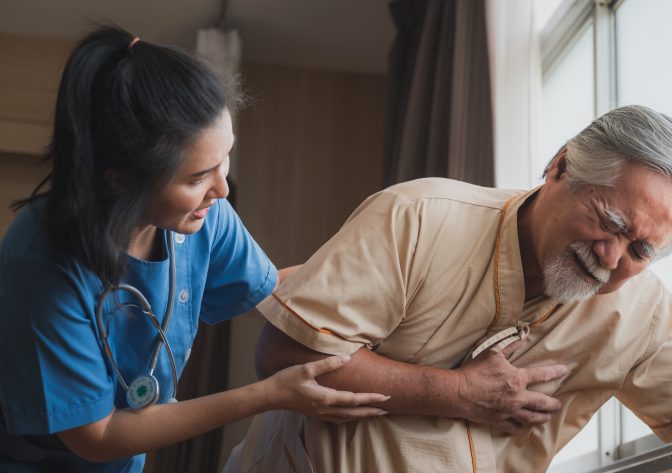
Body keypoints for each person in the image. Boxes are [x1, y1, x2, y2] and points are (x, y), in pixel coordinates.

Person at [226, 105, 672, 472]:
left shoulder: (635, 308)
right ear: (558, 167)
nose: (613, 257)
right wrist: (454, 392)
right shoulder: (419, 217)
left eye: (643, 248)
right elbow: (284, 357)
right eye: (609, 221)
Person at [0, 26, 387, 472]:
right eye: (196, 177)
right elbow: (97, 435)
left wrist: (384, 287)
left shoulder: (204, 219)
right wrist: (267, 395)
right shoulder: (41, 264)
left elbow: (271, 289)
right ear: (120, 178)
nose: (221, 189)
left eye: (225, 161)